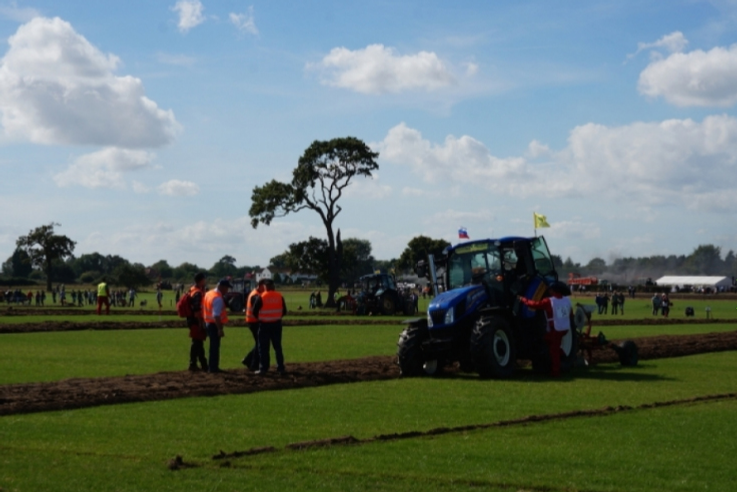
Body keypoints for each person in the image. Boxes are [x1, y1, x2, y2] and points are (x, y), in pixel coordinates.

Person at [518, 281, 572, 378]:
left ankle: (555, 372)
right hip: (564, 328)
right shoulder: (567, 300)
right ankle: (563, 355)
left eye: (550, 290)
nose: (549, 291)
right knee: (549, 342)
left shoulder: (549, 301)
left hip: (556, 329)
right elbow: (570, 314)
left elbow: (534, 304)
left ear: (554, 291)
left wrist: (523, 300)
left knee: (553, 351)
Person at [253, 279, 288, 375]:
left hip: (264, 324)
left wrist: (261, 318)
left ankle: (263, 368)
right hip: (276, 324)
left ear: (265, 287)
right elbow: (284, 311)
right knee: (277, 347)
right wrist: (277, 317)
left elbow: (254, 311)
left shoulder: (261, 296)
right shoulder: (279, 296)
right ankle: (280, 367)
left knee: (263, 347)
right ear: (273, 286)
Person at [202, 279, 231, 373]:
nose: (227, 290)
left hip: (208, 322)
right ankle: (213, 368)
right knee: (214, 347)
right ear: (222, 287)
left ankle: (212, 366)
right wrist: (220, 329)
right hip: (214, 324)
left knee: (213, 346)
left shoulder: (209, 293)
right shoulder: (218, 298)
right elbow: (216, 315)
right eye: (227, 288)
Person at [242, 280, 266, 371]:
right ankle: (253, 364)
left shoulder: (255, 293)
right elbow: (257, 309)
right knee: (260, 343)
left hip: (252, 321)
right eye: (264, 286)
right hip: (254, 321)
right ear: (260, 286)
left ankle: (249, 360)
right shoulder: (255, 295)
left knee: (259, 342)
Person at [187, 273, 209, 372]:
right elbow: (197, 309)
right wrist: (200, 323)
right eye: (204, 279)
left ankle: (202, 364)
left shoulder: (192, 289)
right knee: (196, 342)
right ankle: (193, 364)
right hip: (196, 320)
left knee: (198, 342)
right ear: (201, 280)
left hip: (192, 319)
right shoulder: (198, 293)